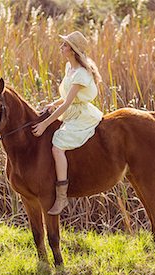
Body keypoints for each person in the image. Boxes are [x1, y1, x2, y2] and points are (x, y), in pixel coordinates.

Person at [32, 31, 103, 215]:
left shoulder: (80, 74)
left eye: (64, 45)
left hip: (80, 114)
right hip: (72, 110)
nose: (61, 48)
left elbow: (68, 103)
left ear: (72, 50)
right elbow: (65, 98)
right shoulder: (68, 68)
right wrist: (52, 104)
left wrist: (45, 124)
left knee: (58, 145)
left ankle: (62, 196)